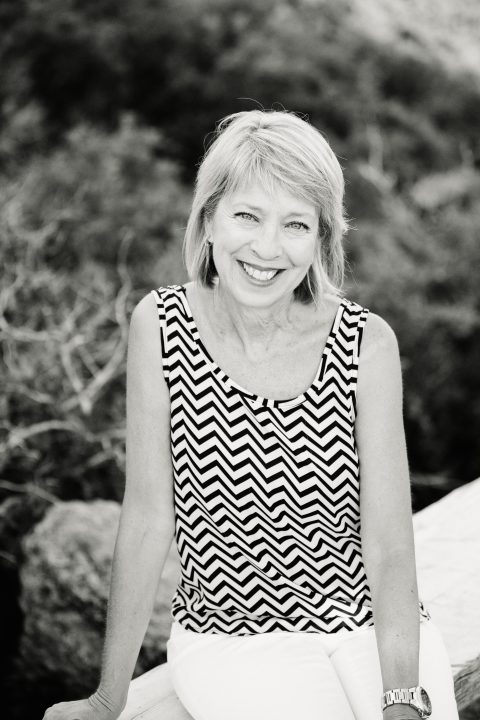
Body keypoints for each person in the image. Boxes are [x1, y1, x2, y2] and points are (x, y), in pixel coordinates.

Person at [43, 110, 459, 720]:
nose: (267, 248)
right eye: (247, 216)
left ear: (321, 239)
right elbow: (148, 519)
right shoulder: (160, 326)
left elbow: (389, 542)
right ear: (209, 219)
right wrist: (108, 699)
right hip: (233, 643)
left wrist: (401, 698)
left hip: (372, 632)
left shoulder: (366, 343)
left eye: (296, 224)